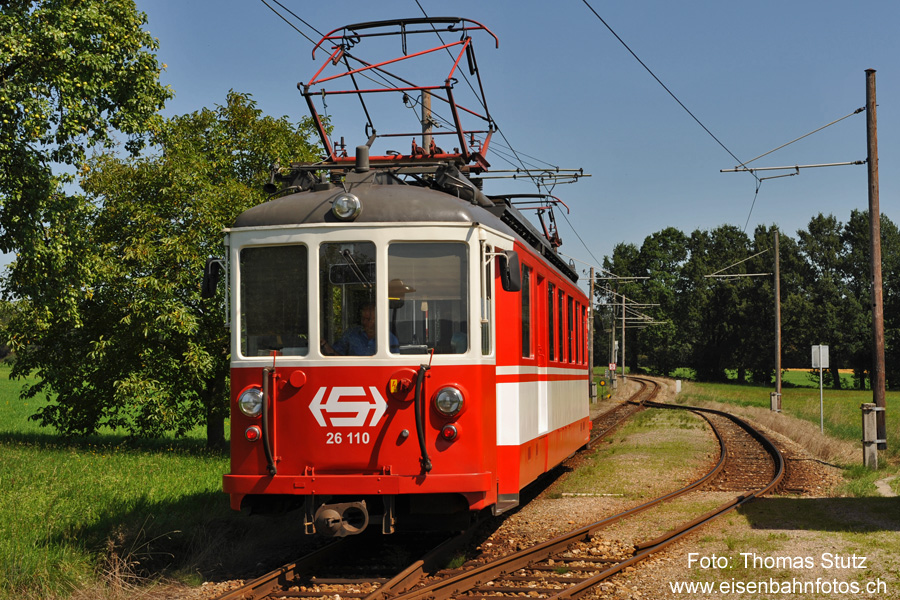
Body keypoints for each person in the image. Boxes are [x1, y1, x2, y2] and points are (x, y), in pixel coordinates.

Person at [322, 304, 398, 356]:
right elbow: (335, 356)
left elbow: (394, 362)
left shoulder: (389, 338)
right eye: (363, 318)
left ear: (378, 320)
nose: (364, 322)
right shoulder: (351, 334)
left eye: (368, 319)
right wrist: (326, 347)